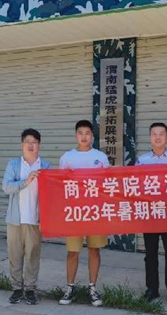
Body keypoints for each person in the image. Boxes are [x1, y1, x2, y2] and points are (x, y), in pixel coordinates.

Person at [58, 119, 109, 307]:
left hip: (95, 211)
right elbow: (59, 184)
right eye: (80, 133)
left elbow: (107, 184)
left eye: (87, 133)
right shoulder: (67, 157)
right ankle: (69, 288)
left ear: (92, 136)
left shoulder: (101, 157)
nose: (84, 136)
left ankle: (92, 288)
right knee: (73, 251)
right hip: (74, 211)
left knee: (94, 250)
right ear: (76, 135)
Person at [2, 128, 51, 306]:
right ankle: (16, 289)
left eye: (34, 142)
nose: (31, 145)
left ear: (39, 145)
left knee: (32, 256)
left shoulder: (45, 166)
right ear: (22, 144)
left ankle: (30, 289)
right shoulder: (14, 165)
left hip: (35, 220)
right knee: (15, 256)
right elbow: (6, 187)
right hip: (15, 220)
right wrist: (26, 181)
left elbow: (51, 193)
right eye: (27, 142)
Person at [136, 122, 167, 309]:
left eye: (161, 134)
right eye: (154, 134)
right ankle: (152, 289)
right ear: (150, 138)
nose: (158, 137)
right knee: (150, 254)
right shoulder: (141, 161)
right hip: (150, 214)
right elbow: (135, 186)